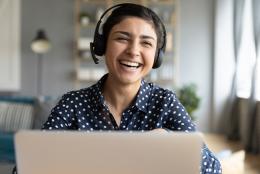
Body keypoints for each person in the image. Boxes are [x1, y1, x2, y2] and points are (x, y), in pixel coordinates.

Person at [42, 3, 221, 174]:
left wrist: (170, 139)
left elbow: (213, 169)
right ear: (102, 45)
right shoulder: (73, 103)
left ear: (157, 56)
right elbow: (28, 166)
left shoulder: (165, 102)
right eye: (122, 38)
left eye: (146, 43)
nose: (133, 51)